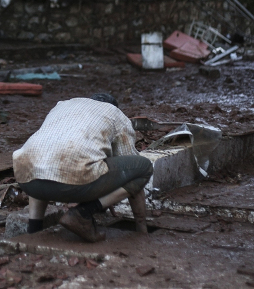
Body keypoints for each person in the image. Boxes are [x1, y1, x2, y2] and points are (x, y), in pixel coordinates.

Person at [12, 93, 153, 242]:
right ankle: (83, 213)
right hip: (72, 183)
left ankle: (34, 230)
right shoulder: (115, 114)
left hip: (25, 179)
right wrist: (141, 227)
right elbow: (130, 169)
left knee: (43, 161)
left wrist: (106, 190)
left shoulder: (63, 105)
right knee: (143, 167)